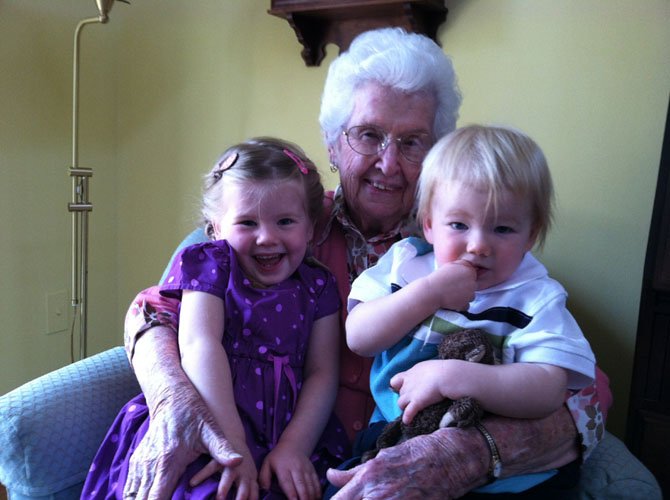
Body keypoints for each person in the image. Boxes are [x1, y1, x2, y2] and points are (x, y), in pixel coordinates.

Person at [122, 28, 611, 499]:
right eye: (369, 135)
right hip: (287, 455)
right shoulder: (283, 229)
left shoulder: (468, 253)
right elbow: (151, 312)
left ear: (437, 156)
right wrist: (176, 402)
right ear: (334, 145)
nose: (388, 163)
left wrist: (466, 453)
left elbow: (587, 390)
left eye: (412, 142)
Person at [83, 138, 350, 499]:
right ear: (215, 228)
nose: (267, 237)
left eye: (285, 221)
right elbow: (199, 344)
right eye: (247, 222)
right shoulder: (211, 267)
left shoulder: (318, 286)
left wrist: (295, 447)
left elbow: (322, 372)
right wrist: (231, 443)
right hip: (209, 422)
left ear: (311, 227)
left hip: (287, 434)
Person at [344, 124, 596, 493]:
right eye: (459, 224)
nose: (478, 246)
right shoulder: (405, 264)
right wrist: (428, 292)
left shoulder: (535, 296)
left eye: (503, 229)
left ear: (532, 234)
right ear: (429, 224)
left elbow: (549, 388)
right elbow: (359, 337)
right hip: (395, 438)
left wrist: (456, 377)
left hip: (509, 476)